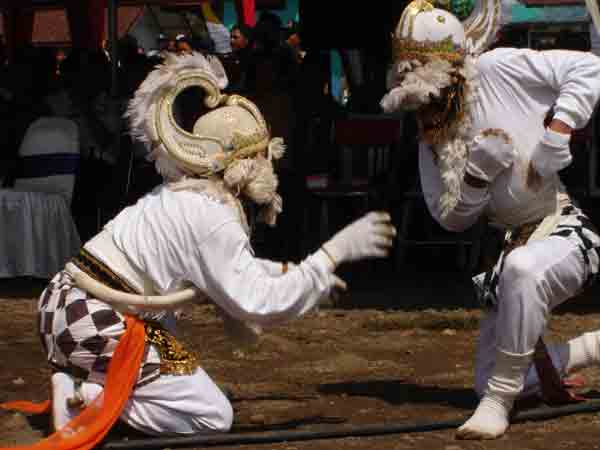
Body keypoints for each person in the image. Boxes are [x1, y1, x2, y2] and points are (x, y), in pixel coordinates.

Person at [0, 52, 395, 447]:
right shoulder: (213, 217)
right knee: (212, 415)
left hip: (62, 308)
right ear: (244, 165)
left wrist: (302, 275)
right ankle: (86, 398)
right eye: (262, 157)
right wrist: (331, 254)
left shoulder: (187, 199)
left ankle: (88, 385)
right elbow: (256, 301)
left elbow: (237, 271)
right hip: (92, 321)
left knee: (198, 394)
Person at [381, 0, 600, 440]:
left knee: (521, 275)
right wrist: (477, 177)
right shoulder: (431, 129)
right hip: (509, 247)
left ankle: (498, 402)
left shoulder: (500, 68)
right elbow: (450, 219)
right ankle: (591, 348)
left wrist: (559, 131)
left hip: (562, 229)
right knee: (499, 355)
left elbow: (591, 69)